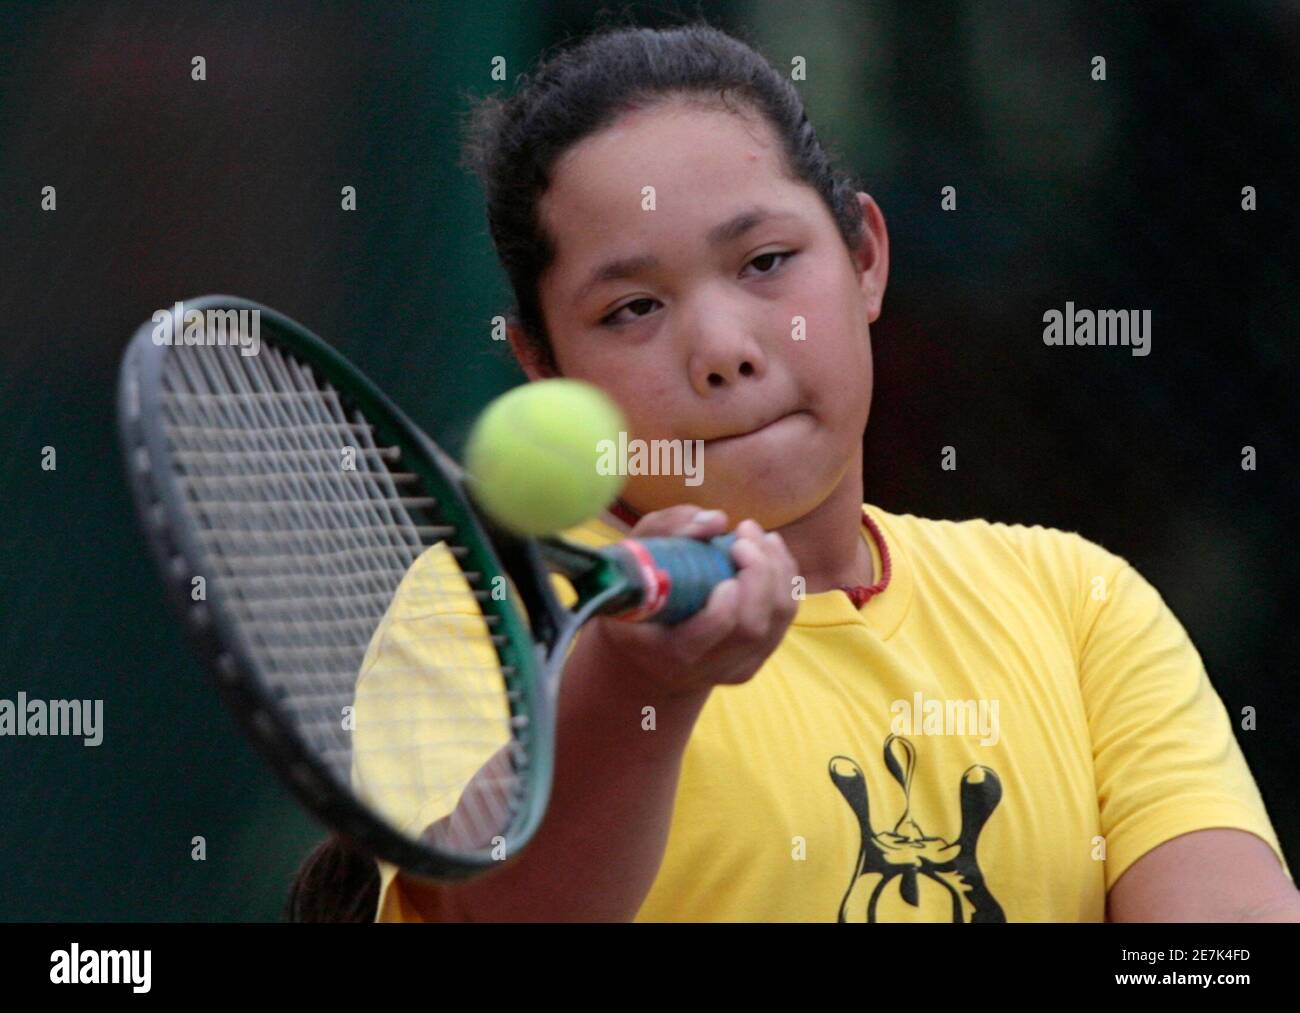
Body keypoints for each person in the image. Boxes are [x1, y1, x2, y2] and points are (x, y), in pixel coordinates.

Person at [288, 18, 1297, 923]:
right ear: (545, 367)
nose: (720, 347)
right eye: (631, 309)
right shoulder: (475, 614)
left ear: (864, 257)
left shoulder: (1081, 605)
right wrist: (639, 682)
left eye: (766, 261)